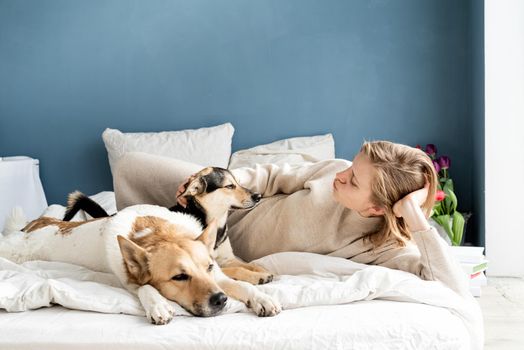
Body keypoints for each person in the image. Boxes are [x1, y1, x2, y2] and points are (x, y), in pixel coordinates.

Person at [114, 141, 469, 297]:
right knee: (131, 166)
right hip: (228, 209)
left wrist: (416, 219)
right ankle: (134, 229)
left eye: (354, 181)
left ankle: (146, 254)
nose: (341, 176)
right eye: (351, 167)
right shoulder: (334, 170)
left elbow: (451, 287)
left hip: (225, 254)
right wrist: (216, 188)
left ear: (378, 208)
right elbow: (269, 177)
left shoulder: (385, 248)